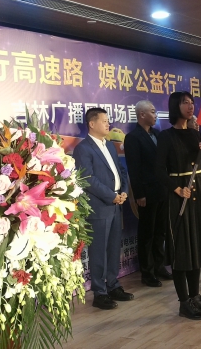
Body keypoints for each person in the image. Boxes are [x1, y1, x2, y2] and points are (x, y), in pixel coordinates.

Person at [155, 91, 201, 320]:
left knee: (195, 246)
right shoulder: (166, 136)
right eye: (185, 103)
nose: (191, 106)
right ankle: (184, 302)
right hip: (179, 195)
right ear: (175, 107)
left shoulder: (196, 133)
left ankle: (195, 296)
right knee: (181, 248)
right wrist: (177, 189)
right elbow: (158, 171)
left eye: (192, 103)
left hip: (198, 192)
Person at [73, 107, 134, 310]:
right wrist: (111, 195)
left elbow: (121, 171)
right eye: (104, 121)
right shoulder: (83, 149)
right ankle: (99, 292)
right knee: (98, 251)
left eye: (108, 121)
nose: (108, 124)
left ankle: (113, 285)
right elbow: (88, 179)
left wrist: (123, 191)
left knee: (114, 247)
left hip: (116, 204)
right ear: (92, 124)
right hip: (99, 206)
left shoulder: (108, 145)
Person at [124, 100, 172, 288]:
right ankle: (147, 272)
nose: (155, 115)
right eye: (152, 112)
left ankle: (160, 266)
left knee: (160, 231)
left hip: (162, 190)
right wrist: (139, 194)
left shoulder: (158, 134)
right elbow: (134, 169)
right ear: (142, 114)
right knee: (147, 233)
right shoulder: (133, 138)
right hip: (147, 192)